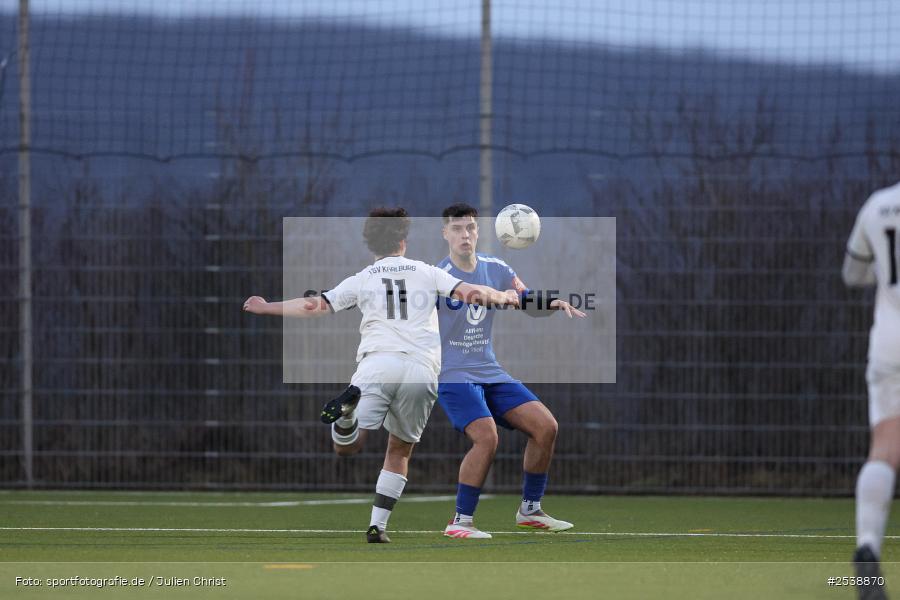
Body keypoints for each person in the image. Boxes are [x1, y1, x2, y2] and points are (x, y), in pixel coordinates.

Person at [243, 207, 518, 544]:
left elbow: (314, 306)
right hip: (421, 370)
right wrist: (504, 296)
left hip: (377, 365)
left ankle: (347, 420)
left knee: (347, 447)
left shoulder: (363, 279)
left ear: (371, 244)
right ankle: (378, 525)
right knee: (399, 450)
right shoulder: (427, 272)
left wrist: (266, 306)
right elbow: (472, 293)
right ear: (403, 240)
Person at [436, 203, 586, 539]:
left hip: (490, 371)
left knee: (546, 427)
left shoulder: (497, 267)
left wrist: (552, 303)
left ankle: (530, 510)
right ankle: (460, 521)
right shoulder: (438, 276)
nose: (465, 234)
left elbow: (524, 299)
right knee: (487, 438)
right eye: (457, 228)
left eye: (470, 227)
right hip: (453, 374)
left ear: (478, 231)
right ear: (445, 233)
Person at [843, 181, 900, 600]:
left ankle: (867, 547)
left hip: (890, 343)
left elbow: (853, 274)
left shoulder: (879, 205)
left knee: (884, 448)